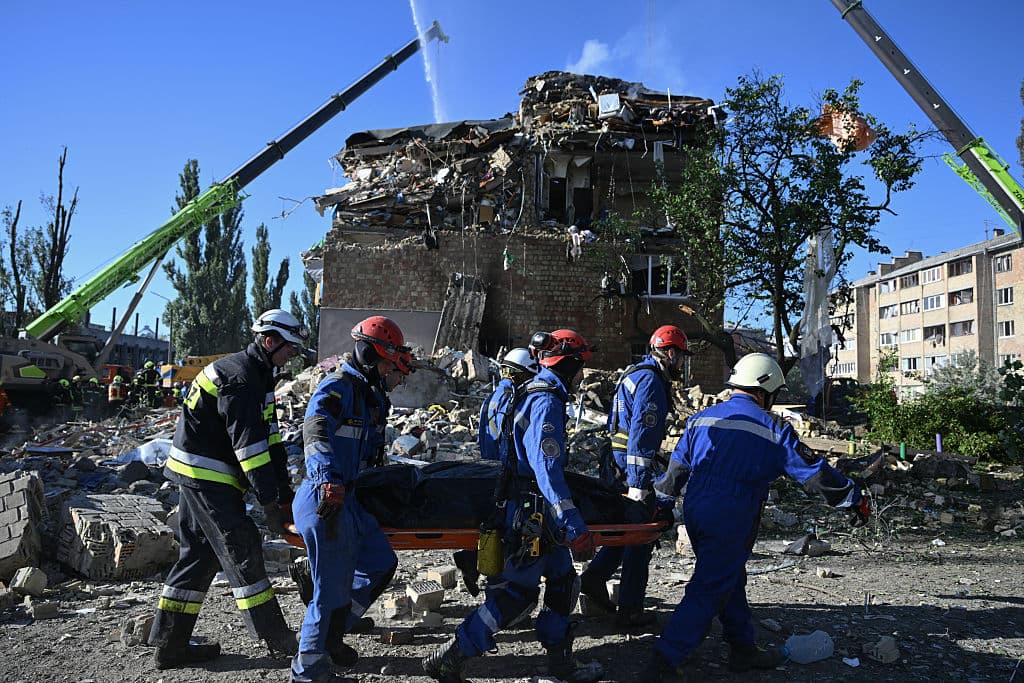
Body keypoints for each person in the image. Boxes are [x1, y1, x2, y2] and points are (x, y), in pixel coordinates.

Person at [638, 353, 871, 680]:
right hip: (732, 512)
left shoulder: (702, 419)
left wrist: (660, 505)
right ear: (765, 391)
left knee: (730, 578)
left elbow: (676, 469)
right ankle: (663, 662)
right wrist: (852, 498)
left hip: (696, 508)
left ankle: (742, 649)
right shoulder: (772, 427)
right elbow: (812, 472)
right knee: (709, 586)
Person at [423, 329, 602, 683]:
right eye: (580, 365)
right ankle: (451, 656)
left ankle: (561, 661)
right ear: (569, 363)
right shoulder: (545, 400)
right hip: (533, 514)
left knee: (563, 582)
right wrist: (574, 526)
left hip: (536, 511)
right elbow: (546, 469)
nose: (582, 374)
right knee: (516, 595)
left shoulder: (532, 392)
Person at [148, 308, 308, 670]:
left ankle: (170, 645)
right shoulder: (240, 379)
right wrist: (269, 502)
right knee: (242, 545)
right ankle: (276, 637)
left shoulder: (260, 374)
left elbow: (271, 440)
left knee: (199, 555)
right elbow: (250, 451)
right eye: (289, 347)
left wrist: (285, 493)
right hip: (206, 472)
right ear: (269, 341)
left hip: (203, 470)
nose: (293, 355)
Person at [290, 316, 410, 683]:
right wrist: (327, 478)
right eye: (390, 362)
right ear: (371, 355)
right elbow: (316, 428)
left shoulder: (367, 397)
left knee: (379, 562)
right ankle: (308, 669)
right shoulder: (339, 386)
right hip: (326, 496)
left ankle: (334, 634)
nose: (393, 370)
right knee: (328, 589)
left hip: (349, 500)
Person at [580, 324, 692, 629]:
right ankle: (629, 609)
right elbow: (642, 436)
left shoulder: (636, 373)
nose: (682, 363)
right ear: (670, 352)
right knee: (640, 535)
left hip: (616, 464)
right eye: (681, 356)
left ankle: (594, 579)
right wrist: (639, 484)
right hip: (629, 469)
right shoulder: (652, 381)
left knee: (623, 529)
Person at [454, 347, 540, 595]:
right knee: (504, 534)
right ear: (522, 374)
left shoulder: (492, 397)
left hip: (489, 470)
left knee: (490, 524)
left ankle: (472, 559)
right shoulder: (511, 400)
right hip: (504, 476)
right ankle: (498, 592)